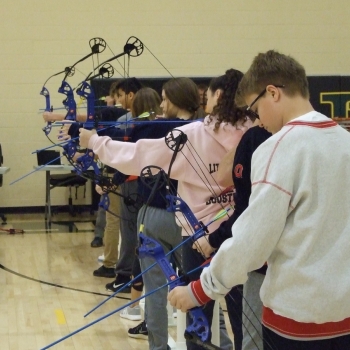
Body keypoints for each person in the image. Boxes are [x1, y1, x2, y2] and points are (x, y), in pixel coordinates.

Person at [168, 50, 350, 350]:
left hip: (295, 322)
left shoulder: (277, 147)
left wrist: (201, 290)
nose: (257, 120)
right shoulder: (344, 141)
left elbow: (252, 241)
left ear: (273, 93)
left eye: (254, 108)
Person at [79, 71, 253, 350]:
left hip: (200, 241)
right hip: (243, 236)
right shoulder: (256, 132)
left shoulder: (192, 135)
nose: (203, 99)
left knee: (199, 320)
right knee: (246, 321)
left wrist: (94, 142)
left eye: (207, 94)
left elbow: (138, 156)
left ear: (219, 95)